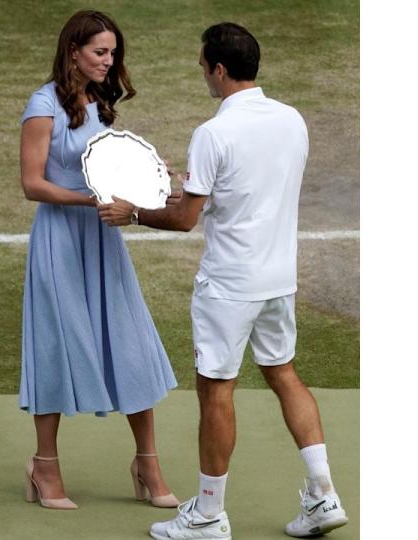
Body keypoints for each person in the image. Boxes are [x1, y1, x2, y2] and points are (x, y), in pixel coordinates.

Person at [98, 22, 348, 538]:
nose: (201, 74)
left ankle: (209, 515)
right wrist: (191, 196)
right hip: (279, 278)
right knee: (284, 373)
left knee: (216, 392)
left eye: (202, 65)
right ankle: (324, 496)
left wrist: (135, 214)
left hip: (229, 285)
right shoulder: (291, 120)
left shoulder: (213, 132)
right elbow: (245, 192)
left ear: (218, 68)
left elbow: (187, 220)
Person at [17, 9, 179, 511]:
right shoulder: (42, 106)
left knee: (128, 344)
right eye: (100, 52)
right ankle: (45, 468)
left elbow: (109, 166)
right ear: (73, 52)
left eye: (113, 53)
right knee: (55, 347)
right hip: (60, 240)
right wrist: (92, 200)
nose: (110, 61)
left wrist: (149, 183)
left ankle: (147, 463)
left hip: (103, 241)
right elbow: (33, 183)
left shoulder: (99, 101)